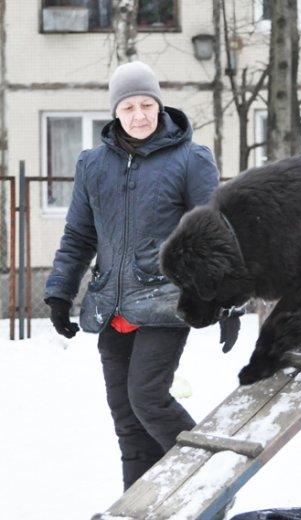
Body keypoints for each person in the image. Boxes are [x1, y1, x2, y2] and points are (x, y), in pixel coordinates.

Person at [44, 61, 220, 491]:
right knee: (126, 417)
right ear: (115, 112)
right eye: (128, 107)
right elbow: (79, 235)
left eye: (147, 104)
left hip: (165, 303)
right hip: (111, 307)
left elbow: (215, 232)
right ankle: (138, 506)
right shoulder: (93, 164)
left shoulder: (190, 159)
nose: (139, 115)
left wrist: (225, 296)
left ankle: (208, 482)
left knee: (148, 399)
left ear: (159, 106)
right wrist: (60, 293)